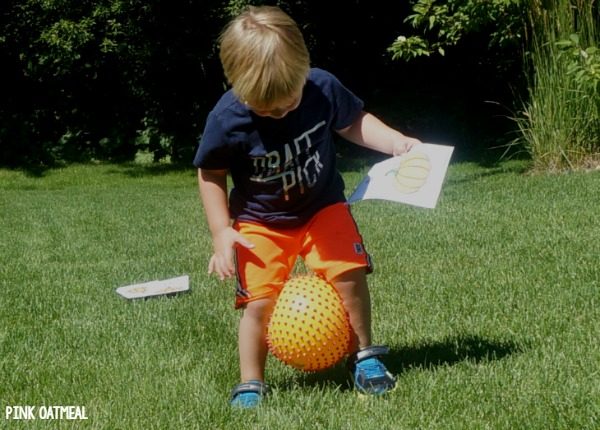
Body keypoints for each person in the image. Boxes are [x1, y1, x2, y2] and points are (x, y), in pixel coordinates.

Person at [193, 5, 421, 408]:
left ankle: (365, 355)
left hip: (322, 206)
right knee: (258, 302)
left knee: (349, 276)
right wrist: (220, 230)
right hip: (260, 221)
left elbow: (354, 122)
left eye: (288, 102)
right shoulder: (226, 118)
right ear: (238, 85)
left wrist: (396, 142)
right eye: (267, 109)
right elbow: (210, 173)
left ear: (305, 69)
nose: (281, 112)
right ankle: (251, 382)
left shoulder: (321, 88)